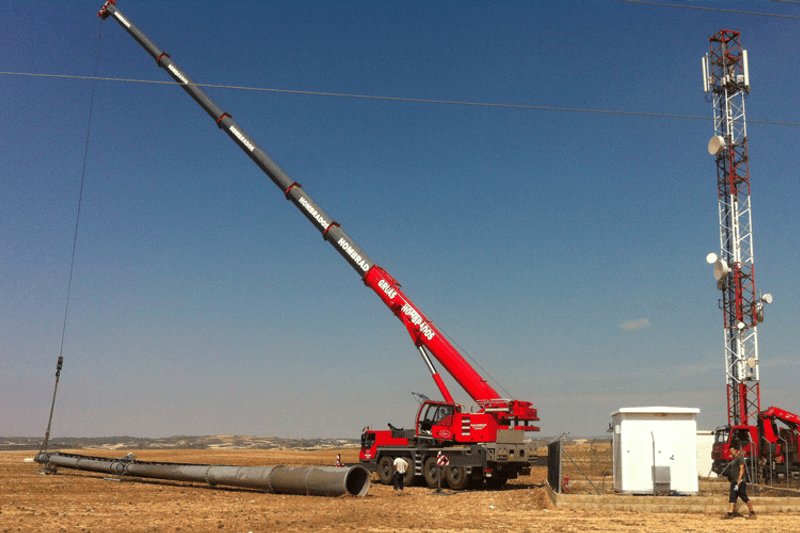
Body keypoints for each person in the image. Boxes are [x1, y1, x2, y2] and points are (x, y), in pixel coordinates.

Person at [723, 441, 756, 520]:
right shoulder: (734, 459)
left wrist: (739, 479)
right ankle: (729, 515)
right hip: (733, 482)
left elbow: (742, 469)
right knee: (732, 498)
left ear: (735, 450)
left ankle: (753, 513)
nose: (731, 452)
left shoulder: (739, 458)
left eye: (732, 450)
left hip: (739, 482)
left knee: (744, 497)